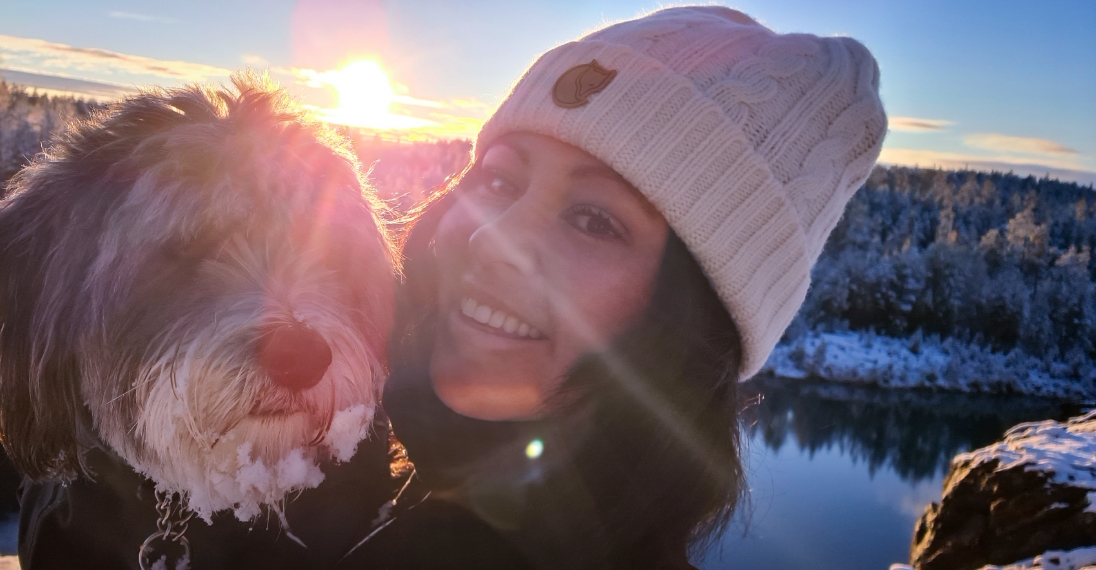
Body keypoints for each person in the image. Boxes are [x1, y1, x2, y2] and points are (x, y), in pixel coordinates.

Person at [346, 6, 888, 569]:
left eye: (593, 220)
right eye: (501, 179)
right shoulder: (362, 478)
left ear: (690, 324)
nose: (492, 240)